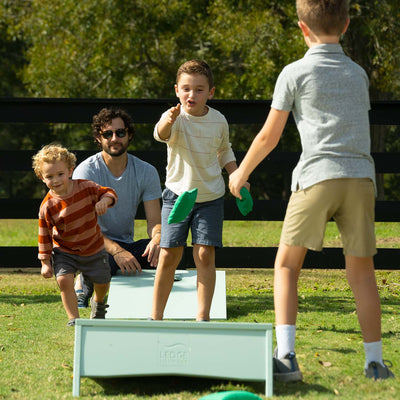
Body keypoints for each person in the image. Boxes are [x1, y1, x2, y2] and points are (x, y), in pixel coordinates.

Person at [229, 0, 394, 382]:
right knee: (363, 273)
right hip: (360, 179)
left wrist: (240, 176)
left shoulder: (294, 72)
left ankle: (286, 357)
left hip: (317, 176)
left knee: (287, 265)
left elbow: (270, 136)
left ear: (303, 28)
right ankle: (375, 363)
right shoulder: (358, 74)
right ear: (347, 25)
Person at [151, 59, 247, 321]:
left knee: (204, 254)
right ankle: (155, 316)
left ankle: (202, 317)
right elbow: (160, 134)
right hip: (176, 195)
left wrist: (236, 174)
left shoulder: (218, 121)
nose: (191, 95)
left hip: (210, 198)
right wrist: (168, 121)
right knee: (170, 254)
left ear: (211, 92)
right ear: (176, 90)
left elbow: (224, 150)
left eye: (199, 89)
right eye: (186, 89)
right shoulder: (173, 117)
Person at [73, 108, 162, 307]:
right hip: (94, 245)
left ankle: (167, 297)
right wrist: (116, 251)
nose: (115, 138)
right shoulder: (85, 171)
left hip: (126, 244)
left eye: (120, 133)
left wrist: (157, 237)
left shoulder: (147, 171)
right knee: (104, 260)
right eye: (108, 134)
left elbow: (155, 222)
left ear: (129, 135)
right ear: (98, 138)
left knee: (169, 249)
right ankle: (83, 284)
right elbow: (84, 229)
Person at [32, 144, 117, 326]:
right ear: (41, 177)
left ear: (70, 170)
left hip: (93, 247)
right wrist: (45, 263)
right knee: (63, 280)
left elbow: (109, 192)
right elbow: (44, 236)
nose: (56, 180)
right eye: (49, 176)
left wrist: (104, 201)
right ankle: (74, 319)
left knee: (103, 282)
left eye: (60, 174)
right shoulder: (47, 207)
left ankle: (98, 302)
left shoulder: (85, 187)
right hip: (65, 251)